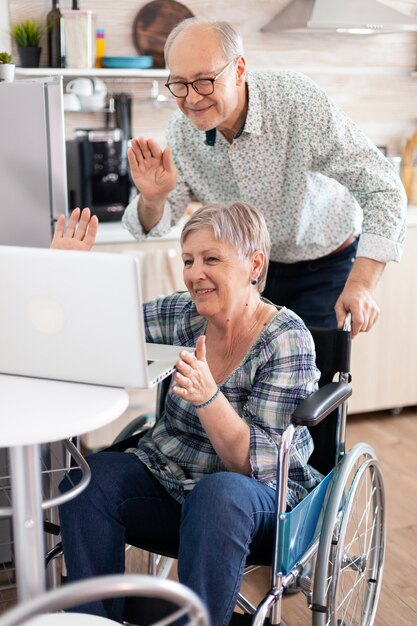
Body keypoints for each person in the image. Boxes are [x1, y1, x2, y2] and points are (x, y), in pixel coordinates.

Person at [54, 202, 321, 626]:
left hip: (257, 499)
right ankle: (93, 620)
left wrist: (208, 398)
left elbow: (250, 465)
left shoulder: (286, 340)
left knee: (218, 495)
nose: (195, 273)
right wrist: (69, 277)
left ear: (254, 264)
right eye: (189, 260)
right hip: (171, 478)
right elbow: (105, 328)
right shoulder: (184, 315)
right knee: (89, 481)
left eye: (211, 259)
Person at [122, 18, 407, 336]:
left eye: (204, 81)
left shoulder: (297, 103)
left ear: (239, 69)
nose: (191, 98)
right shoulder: (182, 130)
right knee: (243, 381)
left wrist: (362, 284)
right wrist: (153, 198)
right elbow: (153, 221)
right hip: (246, 275)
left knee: (310, 379)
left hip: (323, 266)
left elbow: (383, 187)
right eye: (179, 84)